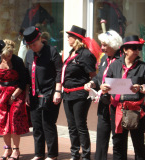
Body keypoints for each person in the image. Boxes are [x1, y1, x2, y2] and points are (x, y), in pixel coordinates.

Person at [101, 35, 145, 160]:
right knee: (118, 143)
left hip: (136, 109)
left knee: (138, 143)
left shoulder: (144, 67)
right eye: (134, 48)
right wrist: (103, 87)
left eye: (139, 48)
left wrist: (140, 88)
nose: (137, 51)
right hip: (117, 108)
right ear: (125, 50)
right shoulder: (115, 65)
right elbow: (106, 82)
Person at [23, 26, 62, 160]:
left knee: (48, 124)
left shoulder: (52, 51)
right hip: (34, 94)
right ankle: (39, 153)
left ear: (40, 39)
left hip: (49, 93)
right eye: (30, 45)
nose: (32, 47)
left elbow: (59, 72)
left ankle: (52, 155)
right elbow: (27, 75)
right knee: (37, 126)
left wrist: (58, 91)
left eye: (34, 44)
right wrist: (27, 93)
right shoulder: (29, 54)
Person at [84, 30, 123, 160]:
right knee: (101, 138)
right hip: (103, 104)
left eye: (105, 45)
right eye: (102, 45)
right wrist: (92, 83)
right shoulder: (105, 59)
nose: (102, 48)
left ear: (113, 44)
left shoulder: (121, 60)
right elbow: (99, 77)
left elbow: (122, 83)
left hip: (116, 105)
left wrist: (108, 88)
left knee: (118, 140)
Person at [61, 25, 98, 160]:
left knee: (80, 125)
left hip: (80, 94)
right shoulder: (71, 52)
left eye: (70, 36)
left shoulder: (86, 54)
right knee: (71, 126)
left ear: (77, 38)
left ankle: (86, 155)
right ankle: (74, 154)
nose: (68, 38)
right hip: (67, 94)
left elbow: (93, 75)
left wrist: (92, 87)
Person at [0, 39, 29, 160]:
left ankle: (16, 149)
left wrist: (13, 96)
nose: (8, 58)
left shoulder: (18, 61)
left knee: (14, 120)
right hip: (1, 92)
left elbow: (23, 82)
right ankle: (7, 148)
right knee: (3, 121)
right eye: (6, 56)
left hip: (16, 92)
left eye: (10, 55)